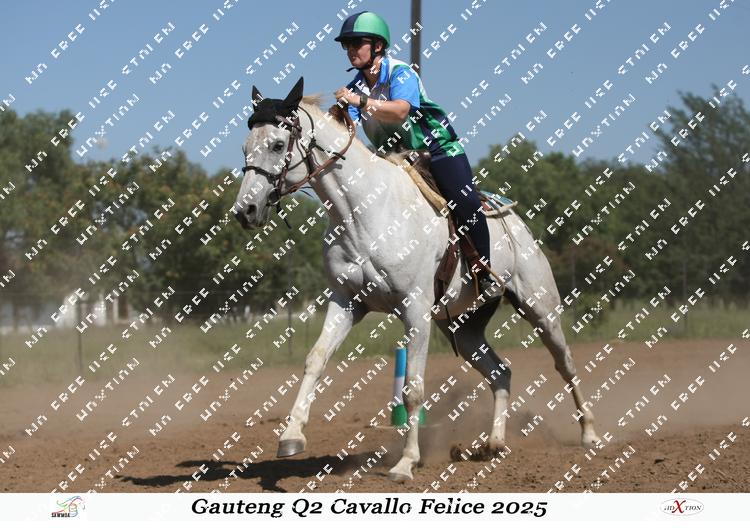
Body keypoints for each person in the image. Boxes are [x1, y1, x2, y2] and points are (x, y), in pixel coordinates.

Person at [332, 11, 500, 299]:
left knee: (465, 201)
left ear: (378, 46)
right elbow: (347, 130)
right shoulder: (355, 87)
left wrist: (357, 101)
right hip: (394, 158)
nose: (350, 50)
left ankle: (485, 271)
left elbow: (400, 110)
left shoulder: (401, 72)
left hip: (437, 150)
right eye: (346, 45)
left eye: (356, 43)